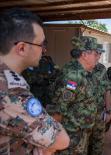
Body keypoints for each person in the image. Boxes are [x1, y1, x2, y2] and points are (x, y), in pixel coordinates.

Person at [0, 8, 69, 155]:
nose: (43, 50)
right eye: (41, 44)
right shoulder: (10, 91)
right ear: (22, 48)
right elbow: (61, 140)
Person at [52, 36, 103, 155]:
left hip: (82, 134)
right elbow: (59, 109)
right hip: (71, 135)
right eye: (96, 54)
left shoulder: (86, 75)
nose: (98, 57)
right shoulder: (74, 77)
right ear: (85, 55)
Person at [88, 49, 111, 155]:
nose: (98, 56)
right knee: (82, 144)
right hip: (82, 115)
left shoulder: (102, 69)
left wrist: (108, 111)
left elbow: (107, 90)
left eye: (100, 53)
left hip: (98, 113)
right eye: (96, 53)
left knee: (98, 143)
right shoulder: (79, 69)